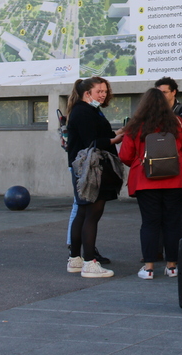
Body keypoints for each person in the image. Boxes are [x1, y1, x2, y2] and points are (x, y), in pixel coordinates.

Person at [118, 88, 182, 280]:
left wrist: (139, 162)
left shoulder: (135, 126)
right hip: (174, 179)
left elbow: (124, 155)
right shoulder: (178, 123)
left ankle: (148, 267)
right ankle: (172, 266)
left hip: (145, 180)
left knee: (150, 223)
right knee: (173, 222)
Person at [61, 77, 121, 276]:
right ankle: (89, 262)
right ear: (87, 93)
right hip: (90, 168)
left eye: (105, 91)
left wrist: (116, 133)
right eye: (99, 91)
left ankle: (75, 259)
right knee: (91, 214)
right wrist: (114, 139)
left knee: (82, 212)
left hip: (84, 167)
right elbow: (92, 141)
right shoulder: (83, 111)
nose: (103, 95)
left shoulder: (87, 110)